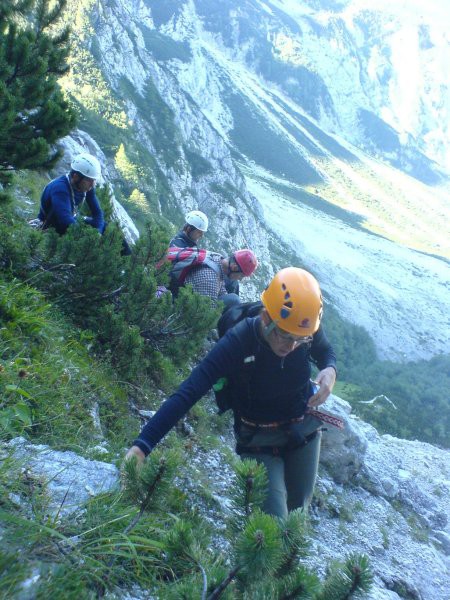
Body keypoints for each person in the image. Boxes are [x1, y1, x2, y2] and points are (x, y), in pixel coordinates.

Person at [126, 267, 337, 519]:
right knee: (272, 524)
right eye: (284, 336)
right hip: (259, 439)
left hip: (303, 430)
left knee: (297, 514)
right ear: (266, 317)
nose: (291, 346)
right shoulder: (239, 341)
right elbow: (189, 391)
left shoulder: (302, 325)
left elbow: (325, 352)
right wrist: (142, 447)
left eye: (299, 340)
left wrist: (330, 370)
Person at [168, 210, 239, 296]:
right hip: (182, 288)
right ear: (188, 229)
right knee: (232, 282)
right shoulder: (178, 245)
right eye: (199, 232)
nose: (201, 236)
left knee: (232, 282)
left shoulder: (184, 242)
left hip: (186, 284)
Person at [31, 153, 105, 234]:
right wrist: (89, 237)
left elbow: (98, 214)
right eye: (89, 180)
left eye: (94, 180)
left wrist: (98, 233)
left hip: (71, 218)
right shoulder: (60, 189)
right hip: (52, 224)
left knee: (105, 226)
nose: (93, 184)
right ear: (76, 177)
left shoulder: (86, 186)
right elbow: (66, 222)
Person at [184, 249, 257, 309]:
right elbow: (204, 315)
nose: (240, 279)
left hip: (197, 295)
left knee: (233, 299)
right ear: (234, 267)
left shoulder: (218, 260)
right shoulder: (211, 280)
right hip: (188, 306)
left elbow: (221, 290)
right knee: (234, 300)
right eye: (241, 276)